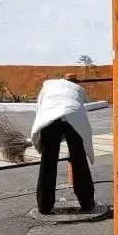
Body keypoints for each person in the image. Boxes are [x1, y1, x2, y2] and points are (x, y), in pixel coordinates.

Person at [31, 77, 96, 214]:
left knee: (48, 161)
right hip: (74, 117)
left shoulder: (47, 87)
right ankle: (86, 202)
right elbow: (79, 112)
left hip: (49, 118)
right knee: (79, 158)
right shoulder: (78, 90)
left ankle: (44, 205)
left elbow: (40, 111)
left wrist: (44, 141)